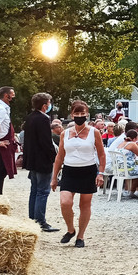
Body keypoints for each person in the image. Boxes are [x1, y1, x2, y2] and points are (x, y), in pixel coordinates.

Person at [51, 100, 106, 248]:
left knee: (85, 204)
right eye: (77, 113)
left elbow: (101, 154)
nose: (80, 116)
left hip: (87, 170)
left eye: (83, 113)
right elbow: (59, 156)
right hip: (69, 170)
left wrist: (100, 173)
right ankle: (70, 229)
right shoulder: (65, 133)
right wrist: (54, 177)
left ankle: (81, 236)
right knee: (65, 202)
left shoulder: (94, 132)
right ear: (72, 114)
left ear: (87, 114)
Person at [22, 92, 58, 233]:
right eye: (48, 103)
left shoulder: (30, 118)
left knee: (34, 190)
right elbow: (46, 141)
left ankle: (32, 218)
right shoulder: (43, 119)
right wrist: (53, 156)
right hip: (42, 160)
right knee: (43, 191)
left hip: (32, 159)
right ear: (44, 106)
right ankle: (40, 221)